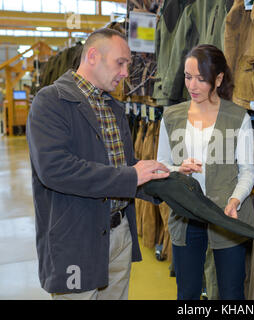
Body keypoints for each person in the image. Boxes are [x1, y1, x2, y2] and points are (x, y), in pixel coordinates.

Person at [26, 28, 169, 300]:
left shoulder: (113, 107)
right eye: (121, 62)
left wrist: (162, 174)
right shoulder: (51, 102)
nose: (127, 72)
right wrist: (130, 176)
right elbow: (55, 169)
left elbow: (120, 165)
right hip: (77, 238)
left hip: (119, 235)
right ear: (92, 56)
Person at [157, 44, 254, 300]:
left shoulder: (238, 117)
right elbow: (161, 165)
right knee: (187, 293)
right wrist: (178, 169)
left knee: (231, 293)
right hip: (186, 215)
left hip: (226, 216)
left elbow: (247, 170)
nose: (193, 86)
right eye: (188, 77)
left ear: (219, 79)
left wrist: (235, 200)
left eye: (201, 79)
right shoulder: (171, 116)